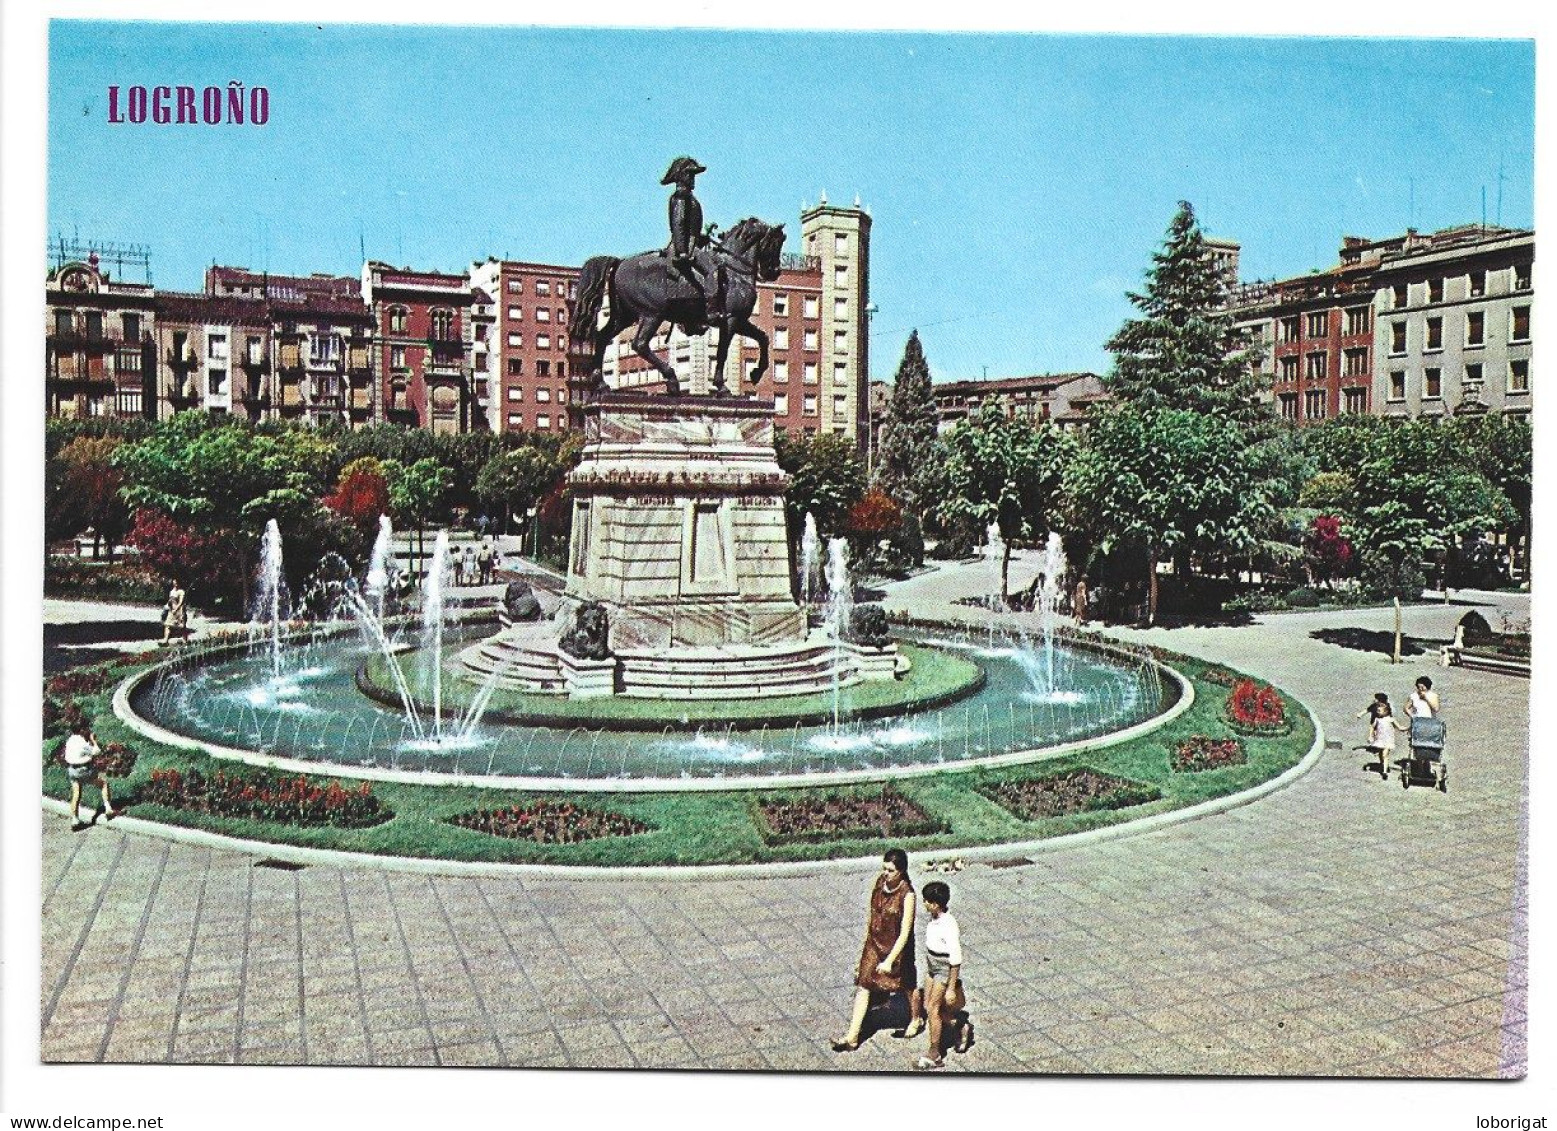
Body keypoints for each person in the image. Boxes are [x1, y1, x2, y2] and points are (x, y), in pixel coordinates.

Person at [832, 848, 925, 1051]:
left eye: (890, 870)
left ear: (901, 871)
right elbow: (873, 913)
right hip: (875, 943)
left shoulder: (907, 895)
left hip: (897, 947)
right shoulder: (879, 883)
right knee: (864, 984)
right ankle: (852, 1037)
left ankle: (916, 1018)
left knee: (907, 985)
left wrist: (891, 960)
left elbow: (905, 933)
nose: (885, 873)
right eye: (884, 868)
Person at [915, 880, 973, 1070]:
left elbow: (955, 958)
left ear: (935, 904)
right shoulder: (934, 918)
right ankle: (959, 1025)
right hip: (932, 964)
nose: (923, 903)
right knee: (928, 1006)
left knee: (933, 1009)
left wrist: (950, 988)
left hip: (943, 968)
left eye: (926, 901)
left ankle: (935, 1053)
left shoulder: (949, 924)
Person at [661, 155, 722, 317]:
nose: (693, 179)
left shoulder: (687, 197)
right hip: (684, 248)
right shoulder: (682, 197)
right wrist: (682, 252)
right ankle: (711, 311)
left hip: (689, 244)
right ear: (681, 176)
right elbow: (679, 224)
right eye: (690, 175)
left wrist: (700, 237)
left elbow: (688, 228)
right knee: (712, 270)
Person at [63, 723, 114, 831]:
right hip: (84, 770)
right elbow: (97, 752)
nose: (87, 730)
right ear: (81, 730)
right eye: (85, 728)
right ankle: (108, 808)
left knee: (76, 793)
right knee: (103, 784)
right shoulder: (82, 743)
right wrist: (93, 740)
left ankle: (75, 820)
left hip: (72, 770)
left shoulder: (70, 740)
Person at [1356, 692, 1407, 779]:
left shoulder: (1390, 719)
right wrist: (1370, 735)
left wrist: (1407, 729)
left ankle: (1384, 771)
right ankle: (1382, 764)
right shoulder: (1376, 718)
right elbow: (1372, 726)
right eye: (1377, 711)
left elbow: (1399, 727)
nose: (1378, 712)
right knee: (1380, 753)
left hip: (1388, 739)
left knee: (1385, 754)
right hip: (1380, 737)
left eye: (1379, 711)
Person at [159, 579, 187, 646]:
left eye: (177, 582)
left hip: (179, 611)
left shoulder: (181, 591)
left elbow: (181, 602)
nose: (175, 583)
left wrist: (176, 609)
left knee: (181, 627)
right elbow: (170, 600)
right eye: (174, 582)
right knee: (167, 625)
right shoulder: (172, 591)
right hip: (171, 611)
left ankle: (185, 640)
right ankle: (165, 640)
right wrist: (167, 606)